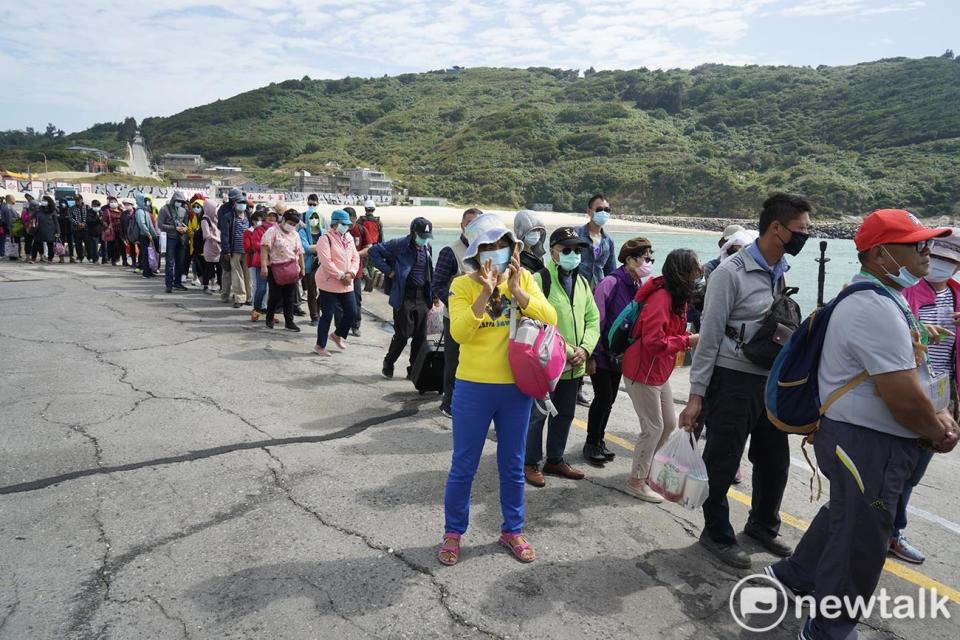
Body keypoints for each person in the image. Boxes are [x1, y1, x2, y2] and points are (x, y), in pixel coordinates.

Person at [768, 209, 959, 640]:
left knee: (846, 514)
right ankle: (828, 628)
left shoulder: (882, 297)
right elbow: (903, 397)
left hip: (859, 439)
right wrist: (936, 429)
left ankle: (796, 574)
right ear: (879, 255)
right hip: (867, 443)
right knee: (860, 541)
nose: (928, 252)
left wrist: (939, 411)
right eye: (917, 244)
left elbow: (913, 375)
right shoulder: (874, 307)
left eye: (927, 242)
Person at [679, 193, 812, 568]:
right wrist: (696, 396)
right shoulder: (729, 273)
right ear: (776, 228)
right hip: (733, 379)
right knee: (722, 461)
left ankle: (762, 526)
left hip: (769, 382)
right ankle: (716, 533)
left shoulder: (780, 269)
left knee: (774, 461)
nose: (805, 236)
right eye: (800, 230)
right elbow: (707, 338)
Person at [439, 213, 557, 566]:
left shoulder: (526, 278)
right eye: (488, 246)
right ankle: (453, 532)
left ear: (513, 247)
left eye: (503, 244)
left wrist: (519, 292)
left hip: (515, 389)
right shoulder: (462, 286)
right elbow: (459, 333)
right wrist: (486, 292)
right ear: (476, 253)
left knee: (513, 463)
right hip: (474, 387)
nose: (497, 252)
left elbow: (549, 318)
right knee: (464, 464)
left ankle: (513, 529)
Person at [896, 231, 960, 564]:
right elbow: (890, 335)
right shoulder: (905, 292)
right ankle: (889, 530)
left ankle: (890, 530)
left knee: (916, 468)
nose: (940, 265)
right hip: (909, 390)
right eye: (937, 257)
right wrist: (918, 334)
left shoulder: (957, 297)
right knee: (897, 467)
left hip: (943, 395)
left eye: (950, 261)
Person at [522, 227, 600, 487]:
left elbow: (593, 319)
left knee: (565, 414)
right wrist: (570, 350)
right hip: (546, 364)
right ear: (553, 252)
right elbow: (536, 321)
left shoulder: (583, 283)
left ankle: (554, 459)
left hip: (574, 366)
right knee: (537, 415)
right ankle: (529, 462)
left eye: (577, 251)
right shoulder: (538, 279)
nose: (573, 255)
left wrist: (586, 349)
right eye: (567, 250)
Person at [622, 249, 701, 502]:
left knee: (667, 423)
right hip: (642, 371)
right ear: (682, 273)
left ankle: (644, 472)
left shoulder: (677, 298)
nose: (698, 275)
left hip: (658, 370)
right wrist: (688, 341)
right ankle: (636, 481)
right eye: (693, 271)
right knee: (653, 427)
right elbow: (655, 341)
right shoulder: (662, 298)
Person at [583, 238, 653, 465]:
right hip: (603, 353)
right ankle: (591, 443)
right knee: (603, 398)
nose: (649, 263)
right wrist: (593, 354)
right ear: (630, 260)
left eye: (651, 259)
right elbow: (596, 320)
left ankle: (599, 440)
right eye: (645, 258)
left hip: (619, 356)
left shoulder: (638, 286)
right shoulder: (610, 283)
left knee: (610, 399)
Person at [369, 217, 434, 379]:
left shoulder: (427, 248)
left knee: (420, 337)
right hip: (404, 295)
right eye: (422, 236)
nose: (424, 240)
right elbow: (373, 252)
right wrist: (389, 271)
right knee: (403, 335)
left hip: (422, 297)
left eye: (427, 237)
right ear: (413, 233)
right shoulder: (399, 245)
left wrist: (433, 293)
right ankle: (388, 362)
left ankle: (413, 370)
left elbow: (429, 271)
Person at [432, 208, 482, 417]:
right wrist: (455, 304)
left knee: (476, 360)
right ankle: (448, 402)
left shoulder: (486, 250)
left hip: (480, 319)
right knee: (454, 361)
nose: (473, 227)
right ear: (462, 225)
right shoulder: (450, 251)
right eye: (469, 223)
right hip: (455, 318)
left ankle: (472, 400)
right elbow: (438, 284)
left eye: (477, 223)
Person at [576, 194, 617, 407]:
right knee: (575, 335)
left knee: (591, 337)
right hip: (576, 292)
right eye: (600, 208)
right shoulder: (576, 234)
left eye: (607, 209)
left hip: (597, 297)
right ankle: (574, 384)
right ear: (589, 211)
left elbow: (611, 272)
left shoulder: (608, 240)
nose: (604, 213)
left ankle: (580, 385)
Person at [313, 209, 360, 357]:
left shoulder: (349, 237)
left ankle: (338, 334)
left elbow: (355, 257)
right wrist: (341, 276)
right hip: (329, 282)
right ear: (335, 223)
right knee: (328, 314)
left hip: (347, 281)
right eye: (343, 224)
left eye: (347, 224)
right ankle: (320, 345)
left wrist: (351, 273)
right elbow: (326, 262)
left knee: (352, 311)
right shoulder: (325, 239)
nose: (346, 226)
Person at [260, 209, 305, 331]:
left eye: (294, 224)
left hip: (291, 268)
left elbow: (300, 252)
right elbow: (264, 248)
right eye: (290, 222)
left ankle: (289, 322)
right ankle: (269, 318)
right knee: (275, 295)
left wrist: (302, 268)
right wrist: (263, 266)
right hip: (275, 267)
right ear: (284, 220)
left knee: (289, 297)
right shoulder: (272, 231)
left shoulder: (295, 234)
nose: (291, 226)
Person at [158, 191, 190, 293]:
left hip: (181, 238)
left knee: (180, 262)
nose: (179, 203)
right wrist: (174, 228)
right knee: (170, 262)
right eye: (178, 201)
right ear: (173, 200)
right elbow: (160, 225)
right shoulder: (164, 209)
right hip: (170, 238)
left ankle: (178, 282)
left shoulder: (184, 211)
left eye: (181, 201)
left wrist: (185, 229)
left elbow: (185, 224)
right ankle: (169, 284)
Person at [248, 209, 276, 318]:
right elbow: (255, 244)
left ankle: (270, 311)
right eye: (270, 216)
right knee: (261, 287)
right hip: (261, 262)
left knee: (273, 289)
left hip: (275, 263)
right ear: (265, 217)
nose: (272, 218)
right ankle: (257, 308)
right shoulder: (259, 229)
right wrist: (269, 247)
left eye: (274, 216)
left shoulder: (278, 229)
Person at [299, 207, 324, 325]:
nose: (314, 219)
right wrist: (320, 248)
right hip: (309, 266)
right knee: (312, 291)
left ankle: (318, 311)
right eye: (311, 217)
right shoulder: (303, 232)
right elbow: (305, 248)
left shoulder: (324, 232)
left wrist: (315, 248)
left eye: (316, 217)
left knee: (324, 291)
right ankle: (314, 316)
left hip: (323, 266)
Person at [344, 206, 367, 337]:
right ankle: (342, 326)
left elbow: (368, 248)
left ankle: (355, 325)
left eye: (349, 220)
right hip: (340, 272)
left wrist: (354, 254)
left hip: (356, 272)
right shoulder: (337, 231)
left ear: (355, 218)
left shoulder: (361, 230)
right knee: (340, 302)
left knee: (356, 299)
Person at [359, 200, 383, 291]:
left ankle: (368, 280)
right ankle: (369, 286)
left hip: (364, 247)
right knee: (371, 266)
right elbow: (381, 237)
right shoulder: (378, 222)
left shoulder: (361, 221)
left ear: (365, 209)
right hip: (375, 247)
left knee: (363, 266)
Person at [134, 193, 159, 278]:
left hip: (147, 235)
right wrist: (148, 234)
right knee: (145, 254)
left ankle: (149, 271)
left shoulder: (145, 210)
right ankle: (146, 272)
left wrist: (153, 234)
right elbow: (142, 224)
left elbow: (150, 224)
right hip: (144, 235)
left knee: (148, 254)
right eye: (144, 200)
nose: (146, 202)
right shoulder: (139, 211)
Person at [200, 200, 222, 294]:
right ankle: (206, 286)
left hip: (218, 248)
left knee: (220, 268)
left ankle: (220, 286)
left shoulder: (215, 218)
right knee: (208, 268)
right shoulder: (205, 219)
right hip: (210, 247)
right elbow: (206, 235)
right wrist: (217, 239)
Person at [30, 195, 58, 263]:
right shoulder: (38, 209)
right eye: (42, 200)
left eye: (44, 200)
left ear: (49, 202)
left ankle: (50, 259)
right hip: (39, 229)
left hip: (50, 230)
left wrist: (58, 231)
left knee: (50, 245)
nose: (43, 202)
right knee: (35, 244)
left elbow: (56, 222)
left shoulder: (52, 210)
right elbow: (32, 216)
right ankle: (33, 258)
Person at [186, 194, 205, 285]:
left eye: (198, 207)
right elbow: (189, 229)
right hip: (194, 243)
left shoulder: (205, 217)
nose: (196, 208)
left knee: (203, 262)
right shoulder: (192, 217)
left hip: (204, 244)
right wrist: (192, 233)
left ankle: (205, 280)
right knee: (195, 260)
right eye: (195, 206)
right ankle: (195, 277)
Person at [100, 196, 122, 265]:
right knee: (112, 245)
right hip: (111, 231)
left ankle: (120, 258)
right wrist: (107, 227)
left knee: (119, 245)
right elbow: (103, 221)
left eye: (114, 202)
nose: (113, 203)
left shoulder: (121, 211)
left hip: (120, 230)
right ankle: (113, 260)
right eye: (111, 202)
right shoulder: (107, 211)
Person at [68, 195, 88, 263]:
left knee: (88, 244)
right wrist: (78, 223)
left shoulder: (87, 207)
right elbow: (70, 218)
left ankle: (90, 257)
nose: (77, 201)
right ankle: (80, 257)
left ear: (82, 200)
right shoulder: (71, 208)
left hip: (86, 229)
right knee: (78, 244)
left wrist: (84, 223)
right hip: (76, 229)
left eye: (78, 200)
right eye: (76, 200)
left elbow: (89, 216)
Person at [84, 199, 102, 264]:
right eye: (95, 206)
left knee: (103, 246)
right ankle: (95, 259)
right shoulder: (89, 212)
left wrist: (101, 220)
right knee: (94, 246)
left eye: (98, 206)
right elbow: (89, 221)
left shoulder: (101, 212)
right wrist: (98, 219)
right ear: (92, 206)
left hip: (101, 231)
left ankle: (105, 259)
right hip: (93, 231)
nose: (96, 207)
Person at [1, 195, 17, 260]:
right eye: (13, 197)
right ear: (10, 199)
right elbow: (9, 219)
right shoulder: (8, 207)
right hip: (8, 226)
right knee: (8, 241)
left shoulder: (4, 206)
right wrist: (10, 228)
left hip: (5, 226)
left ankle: (5, 254)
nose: (14, 199)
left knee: (4, 241)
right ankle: (8, 254)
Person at [57, 198, 73, 263]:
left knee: (70, 244)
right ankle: (61, 258)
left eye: (64, 202)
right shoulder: (58, 210)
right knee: (60, 244)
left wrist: (65, 217)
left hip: (69, 229)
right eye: (61, 203)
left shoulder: (69, 210)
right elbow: (57, 219)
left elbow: (71, 218)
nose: (63, 204)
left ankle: (71, 257)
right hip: (61, 230)